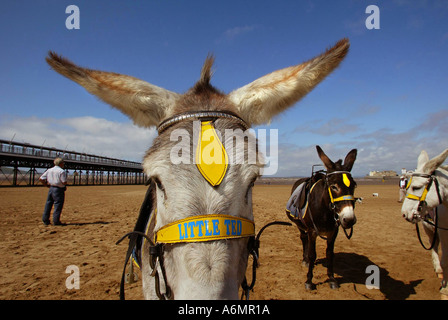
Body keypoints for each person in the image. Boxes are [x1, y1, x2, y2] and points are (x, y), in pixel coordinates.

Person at [40, 157, 68, 226]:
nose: (63, 164)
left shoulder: (49, 170)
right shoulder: (61, 171)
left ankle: (45, 220)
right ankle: (56, 221)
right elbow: (64, 182)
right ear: (61, 163)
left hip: (51, 188)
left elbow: (41, 178)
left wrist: (46, 185)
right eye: (63, 163)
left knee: (48, 204)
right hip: (58, 190)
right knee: (58, 205)